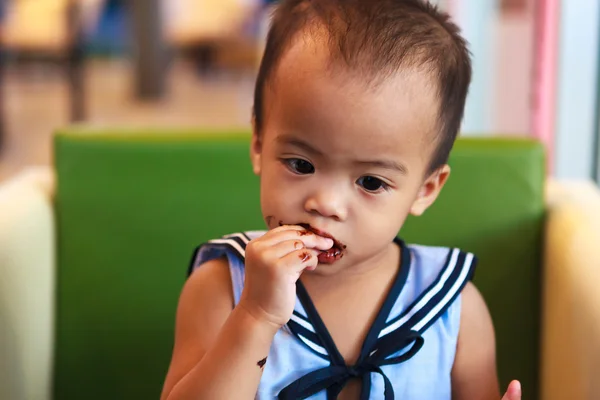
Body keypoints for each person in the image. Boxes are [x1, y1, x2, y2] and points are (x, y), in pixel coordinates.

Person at [161, 0, 522, 399]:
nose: (326, 203)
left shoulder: (454, 308)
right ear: (259, 145)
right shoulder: (223, 287)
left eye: (370, 181)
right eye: (300, 164)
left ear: (425, 190)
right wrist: (256, 316)